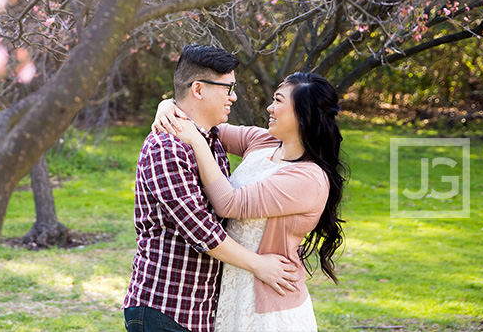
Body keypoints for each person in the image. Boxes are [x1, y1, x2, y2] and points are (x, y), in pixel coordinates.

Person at [152, 71, 348, 332]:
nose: (270, 107)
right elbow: (201, 120)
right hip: (231, 294)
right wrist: (167, 106)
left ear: (304, 115)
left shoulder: (308, 178)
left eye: (278, 101)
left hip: (269, 307)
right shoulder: (263, 141)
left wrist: (197, 143)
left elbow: (228, 203)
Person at [123, 45, 299, 332]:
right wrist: (259, 265)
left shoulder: (210, 138)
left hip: (195, 310)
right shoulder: (166, 148)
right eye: (228, 88)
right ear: (198, 89)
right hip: (164, 307)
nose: (234, 97)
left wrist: (168, 104)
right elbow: (202, 232)